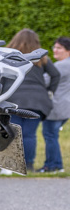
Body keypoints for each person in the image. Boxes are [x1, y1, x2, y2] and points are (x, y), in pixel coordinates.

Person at [5, 29, 60, 173]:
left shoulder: (9, 56)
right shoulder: (42, 58)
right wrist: (49, 90)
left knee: (14, 134)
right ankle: (28, 165)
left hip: (14, 99)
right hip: (37, 100)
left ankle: (13, 165)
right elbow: (56, 75)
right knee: (29, 134)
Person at [41, 36, 70, 173]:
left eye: (59, 48)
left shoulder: (60, 66)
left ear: (68, 51)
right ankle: (57, 165)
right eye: (54, 47)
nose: (55, 50)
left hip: (56, 107)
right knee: (52, 136)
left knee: (50, 136)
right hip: (65, 107)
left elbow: (43, 81)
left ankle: (52, 166)